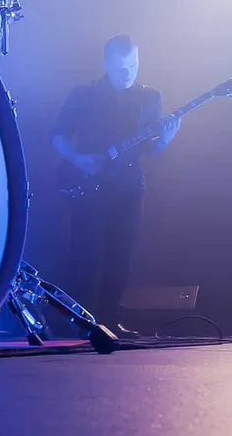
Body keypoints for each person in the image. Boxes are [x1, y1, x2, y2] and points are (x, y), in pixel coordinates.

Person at [51, 34, 180, 336]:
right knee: (85, 255)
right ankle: (77, 323)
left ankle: (109, 321)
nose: (128, 75)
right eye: (121, 68)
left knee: (122, 255)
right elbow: (57, 136)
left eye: (133, 66)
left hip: (130, 187)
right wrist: (79, 160)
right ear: (106, 64)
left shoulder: (150, 97)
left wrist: (165, 139)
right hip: (89, 184)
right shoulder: (84, 94)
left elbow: (150, 149)